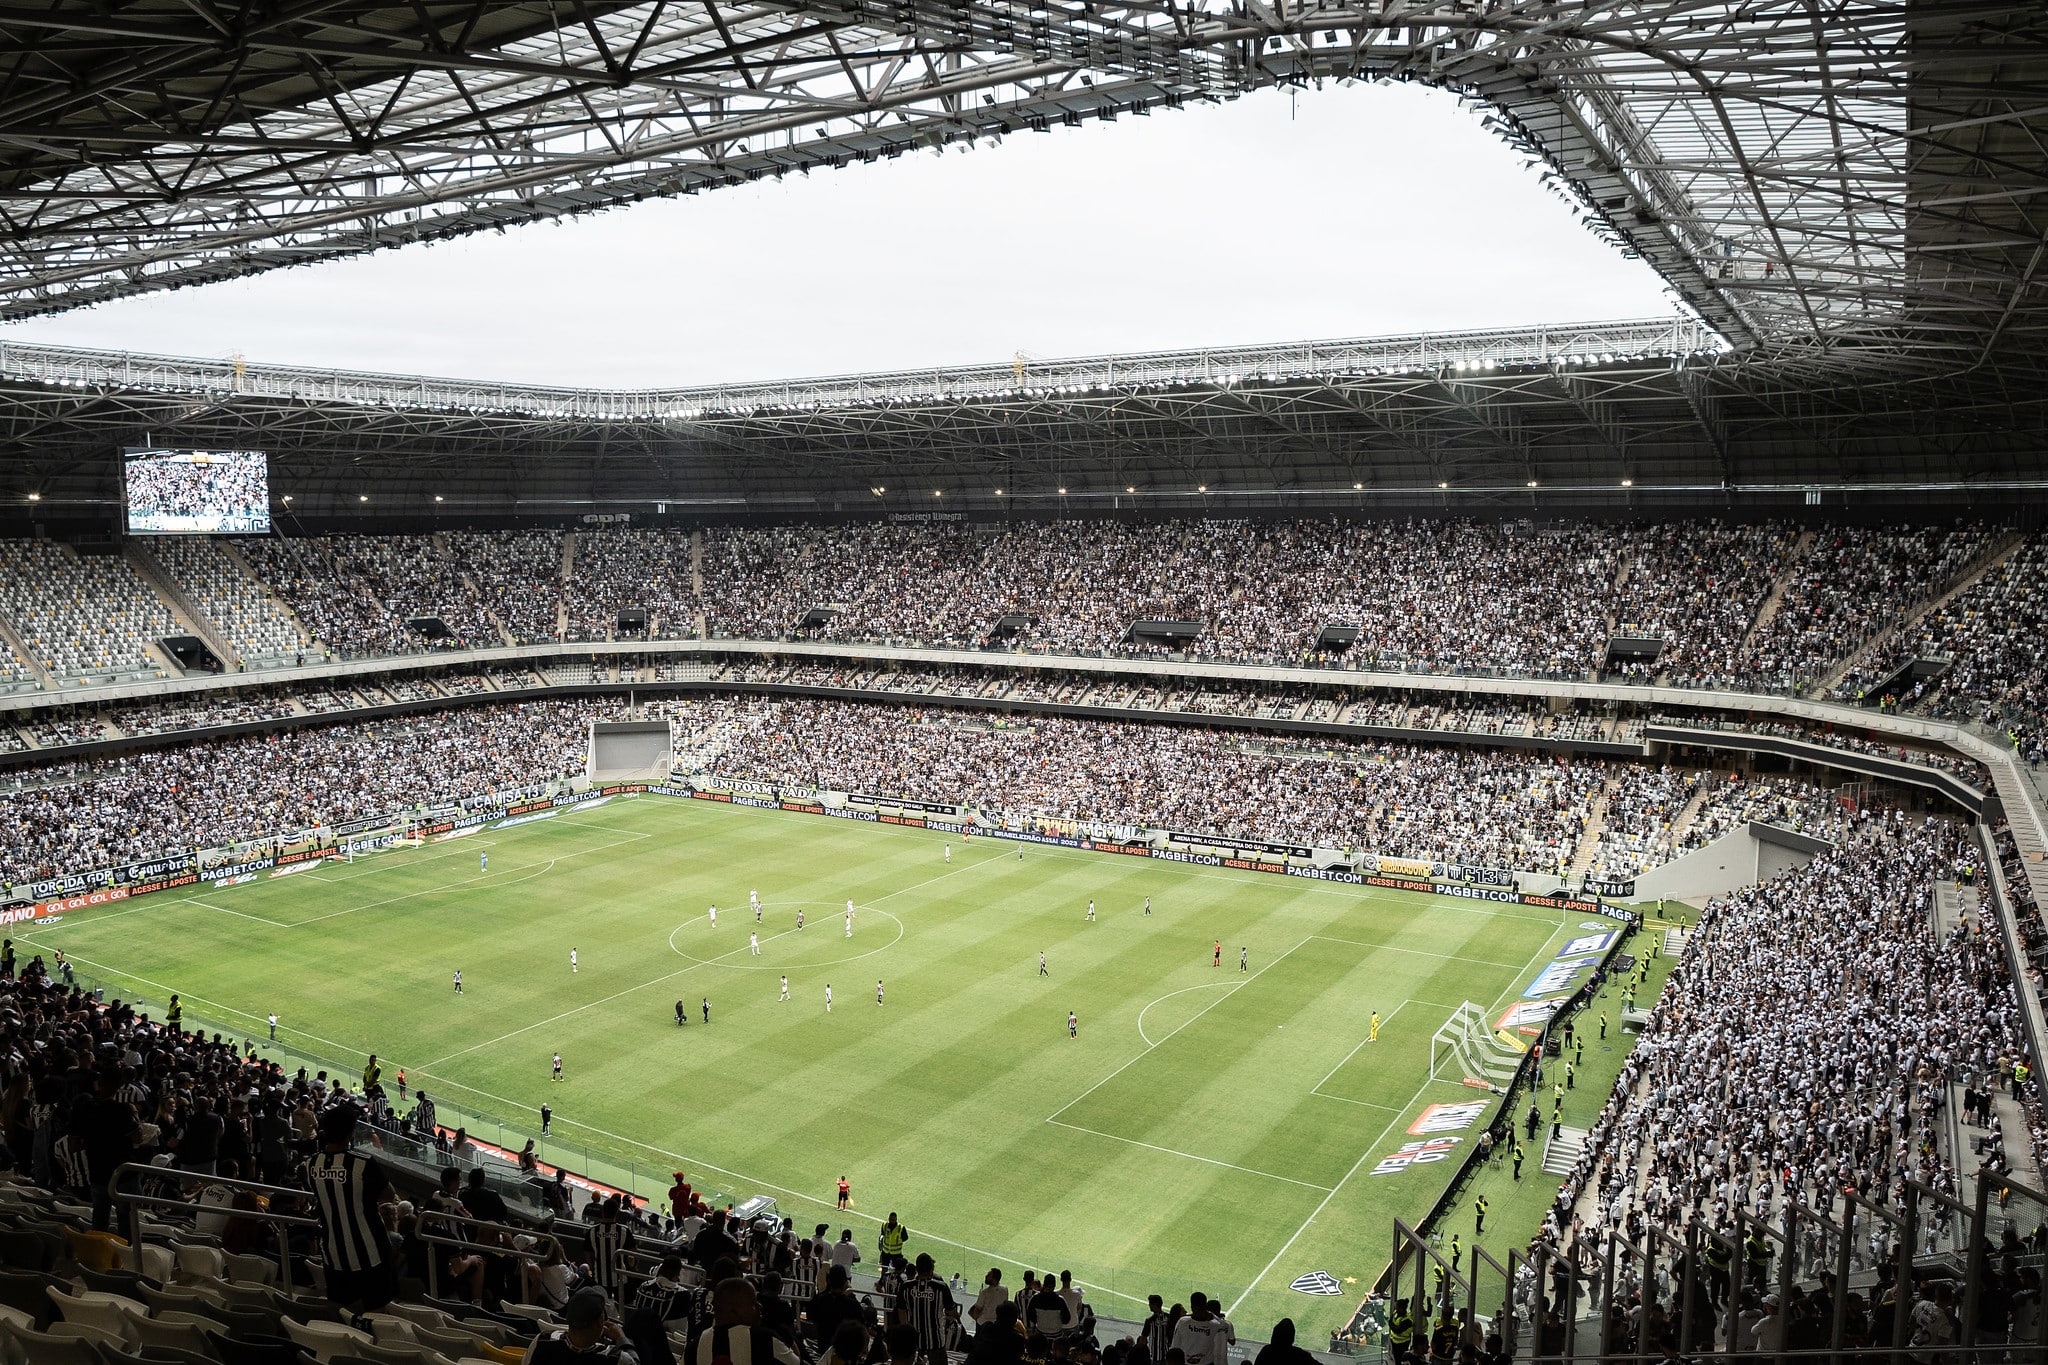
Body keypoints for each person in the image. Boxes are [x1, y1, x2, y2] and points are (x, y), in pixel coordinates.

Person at [307, 1104, 397, 1317]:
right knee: (376, 1311)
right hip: (370, 1251)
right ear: (351, 1131)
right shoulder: (362, 1162)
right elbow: (389, 1195)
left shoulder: (311, 1164)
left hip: (333, 1252)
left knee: (344, 1310)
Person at [529, 1286, 637, 1364]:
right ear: (601, 1322)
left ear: (568, 1319)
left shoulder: (542, 1341)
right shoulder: (615, 1358)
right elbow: (634, 1362)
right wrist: (621, 1338)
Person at [898, 1252, 959, 1365]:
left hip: (914, 1341)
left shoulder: (906, 1287)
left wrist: (907, 1332)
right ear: (932, 1269)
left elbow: (901, 1311)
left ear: (917, 1268)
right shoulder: (941, 1287)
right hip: (936, 1341)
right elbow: (951, 1312)